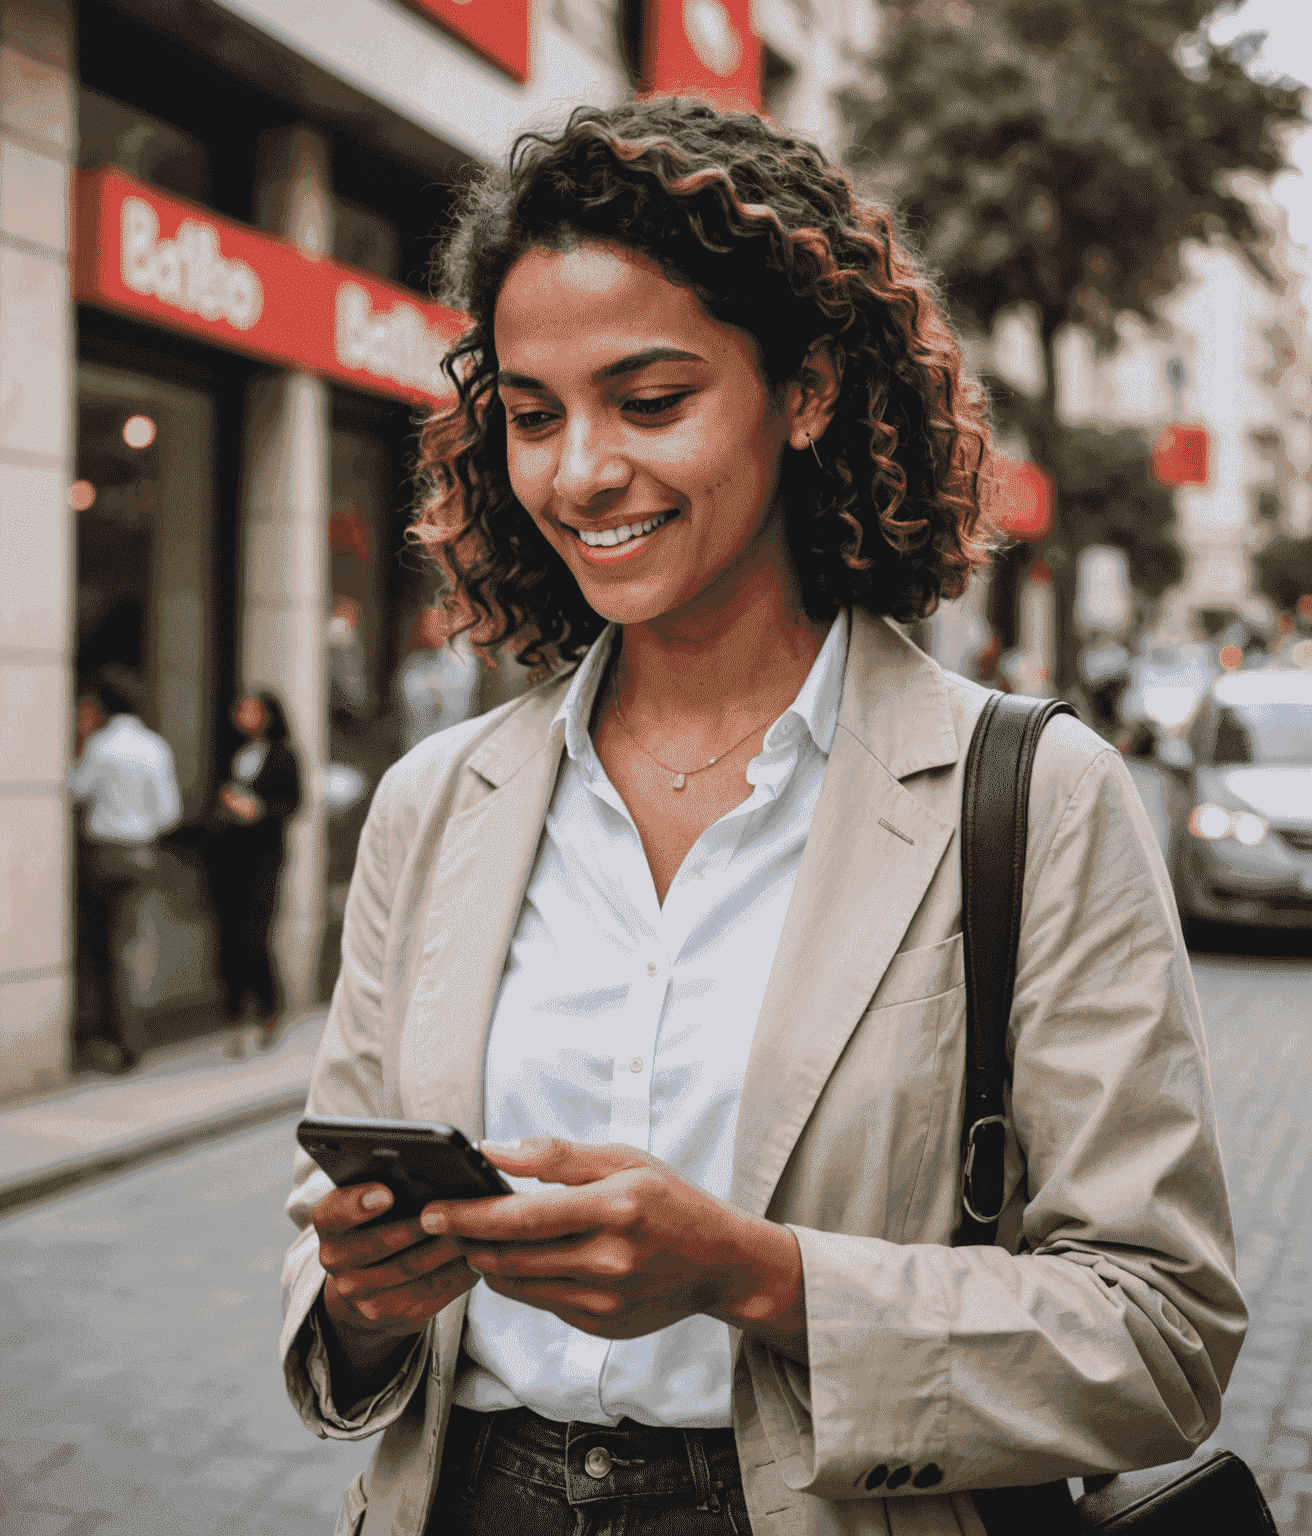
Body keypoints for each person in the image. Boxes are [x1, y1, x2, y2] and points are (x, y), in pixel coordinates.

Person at [281, 101, 1245, 1536]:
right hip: (468, 1498)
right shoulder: (438, 805)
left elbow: (1161, 1337)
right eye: (533, 415)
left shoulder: (1033, 796)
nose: (580, 471)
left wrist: (757, 1276)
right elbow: (327, 1279)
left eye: (651, 400)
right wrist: (363, 1298)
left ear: (805, 393)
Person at [68, 663, 181, 1073]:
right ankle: (120, 1033)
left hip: (104, 854)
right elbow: (168, 812)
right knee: (124, 947)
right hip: (143, 854)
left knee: (102, 951)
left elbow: (76, 789)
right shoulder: (156, 747)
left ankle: (120, 1039)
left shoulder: (101, 746)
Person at [207, 690, 301, 1050]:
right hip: (231, 854)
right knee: (230, 935)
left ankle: (268, 1007)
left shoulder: (283, 754)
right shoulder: (232, 752)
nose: (243, 715)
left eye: (250, 709)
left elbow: (294, 803)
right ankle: (236, 1014)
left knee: (255, 933)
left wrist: (259, 809)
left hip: (264, 855)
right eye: (240, 708)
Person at [394, 605, 482, 753]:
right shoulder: (415, 662)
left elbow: (454, 710)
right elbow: (411, 702)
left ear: (445, 627)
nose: (425, 629)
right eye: (424, 624)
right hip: (415, 747)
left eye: (431, 624)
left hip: (449, 748)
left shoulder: (463, 662)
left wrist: (432, 686)